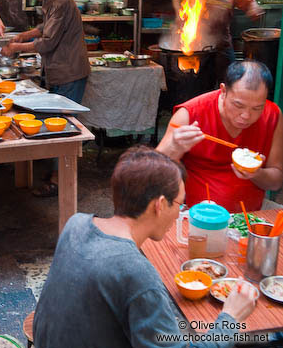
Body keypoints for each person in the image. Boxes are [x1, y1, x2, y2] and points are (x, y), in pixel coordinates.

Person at [33, 145, 256, 348]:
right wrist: (231, 318)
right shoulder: (135, 272)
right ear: (159, 205)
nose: (179, 212)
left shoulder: (77, 223)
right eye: (180, 203)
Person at [2, 0, 90, 197]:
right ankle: (56, 173)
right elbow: (44, 28)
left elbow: (48, 41)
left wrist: (16, 47)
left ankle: (59, 180)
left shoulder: (61, 3)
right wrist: (23, 34)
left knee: (64, 128)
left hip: (70, 71)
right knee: (56, 122)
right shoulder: (52, 0)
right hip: (61, 70)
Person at [157, 60, 283, 213]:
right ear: (223, 91)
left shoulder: (273, 115)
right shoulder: (190, 115)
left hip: (249, 217)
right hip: (197, 217)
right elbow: (154, 172)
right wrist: (172, 148)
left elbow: (276, 181)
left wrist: (256, 174)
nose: (246, 116)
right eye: (238, 105)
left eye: (257, 108)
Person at [173, 0, 264, 84]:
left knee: (229, 81)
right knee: (201, 82)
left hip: (223, 41)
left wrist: (254, 8)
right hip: (201, 42)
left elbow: (249, 2)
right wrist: (178, 14)